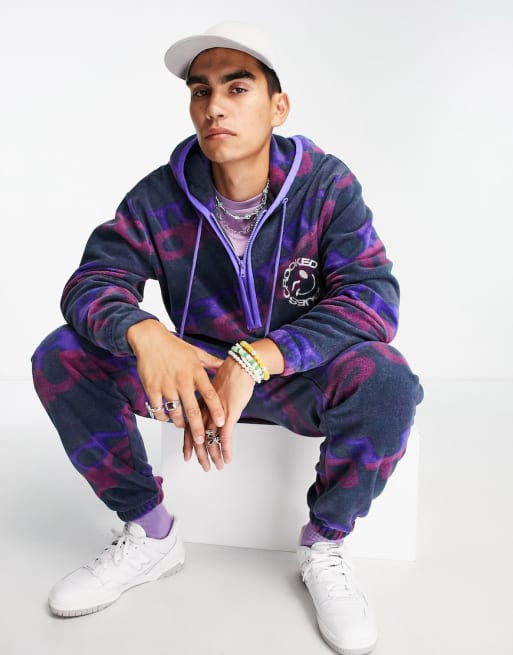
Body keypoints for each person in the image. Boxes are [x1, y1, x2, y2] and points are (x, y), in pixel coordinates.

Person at [32, 21, 423, 655]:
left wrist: (258, 357)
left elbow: (373, 298)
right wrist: (146, 332)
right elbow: (91, 284)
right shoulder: (159, 196)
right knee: (62, 355)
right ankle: (150, 532)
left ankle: (324, 544)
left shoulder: (326, 186)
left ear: (278, 106)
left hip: (295, 381)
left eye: (237, 88)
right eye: (201, 91)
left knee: (387, 379)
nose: (214, 106)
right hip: (195, 386)